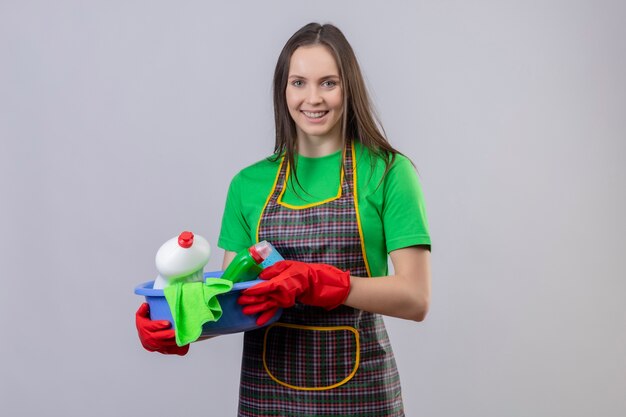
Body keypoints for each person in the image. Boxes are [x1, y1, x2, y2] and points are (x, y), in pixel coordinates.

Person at [136, 22, 431, 416]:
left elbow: (415, 299)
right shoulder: (249, 184)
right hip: (268, 399)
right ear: (283, 89)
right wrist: (174, 324)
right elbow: (235, 302)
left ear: (349, 88)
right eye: (299, 83)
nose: (313, 98)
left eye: (329, 82)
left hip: (362, 397)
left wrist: (322, 282)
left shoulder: (388, 173)